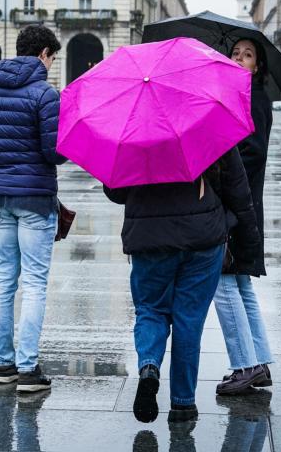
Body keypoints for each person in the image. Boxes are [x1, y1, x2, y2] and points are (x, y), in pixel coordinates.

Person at [104, 148, 260, 423]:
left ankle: (150, 366)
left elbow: (115, 192)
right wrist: (248, 241)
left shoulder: (132, 127)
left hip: (148, 237)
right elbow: (237, 186)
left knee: (151, 310)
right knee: (189, 319)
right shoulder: (206, 118)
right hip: (202, 235)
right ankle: (183, 403)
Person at [0, 25, 66, 393]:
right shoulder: (45, 94)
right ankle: (28, 369)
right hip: (36, 199)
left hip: (0, 197)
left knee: (4, 279)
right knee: (35, 283)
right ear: (43, 53)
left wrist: (5, 161)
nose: (52, 63)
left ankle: (4, 365)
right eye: (52, 57)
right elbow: (53, 152)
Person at [213, 39, 274, 395]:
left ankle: (245, 365)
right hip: (242, 204)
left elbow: (254, 151)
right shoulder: (238, 94)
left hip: (238, 204)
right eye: (235, 53)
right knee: (239, 282)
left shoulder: (254, 97)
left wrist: (220, 161)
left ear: (257, 66)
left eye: (247, 55)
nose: (239, 58)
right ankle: (259, 361)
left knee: (223, 281)